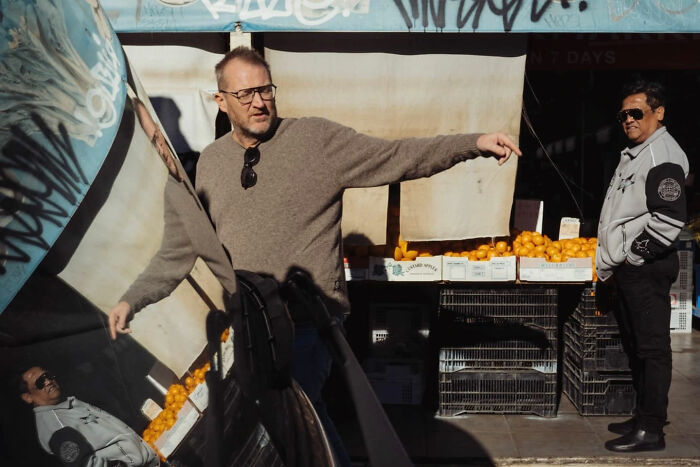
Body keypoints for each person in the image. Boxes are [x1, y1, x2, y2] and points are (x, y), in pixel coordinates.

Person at [110, 46, 521, 466]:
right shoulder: (211, 163)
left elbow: (398, 156)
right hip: (253, 327)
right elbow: (180, 248)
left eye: (265, 90)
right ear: (221, 101)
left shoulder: (315, 141)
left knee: (298, 417)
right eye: (245, 94)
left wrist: (472, 144)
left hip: (309, 321)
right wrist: (132, 299)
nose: (259, 102)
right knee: (304, 423)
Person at [596, 80, 688, 452]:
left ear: (658, 112)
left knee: (652, 349)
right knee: (636, 345)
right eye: (624, 115)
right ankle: (643, 414)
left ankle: (652, 430)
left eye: (637, 112)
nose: (629, 120)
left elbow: (669, 218)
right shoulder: (636, 152)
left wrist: (633, 255)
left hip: (646, 267)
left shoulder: (661, 154)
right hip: (632, 268)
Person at [18, 366, 160, 467]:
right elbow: (86, 464)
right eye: (40, 382)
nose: (48, 382)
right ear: (28, 397)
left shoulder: (66, 404)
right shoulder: (55, 424)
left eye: (47, 376)